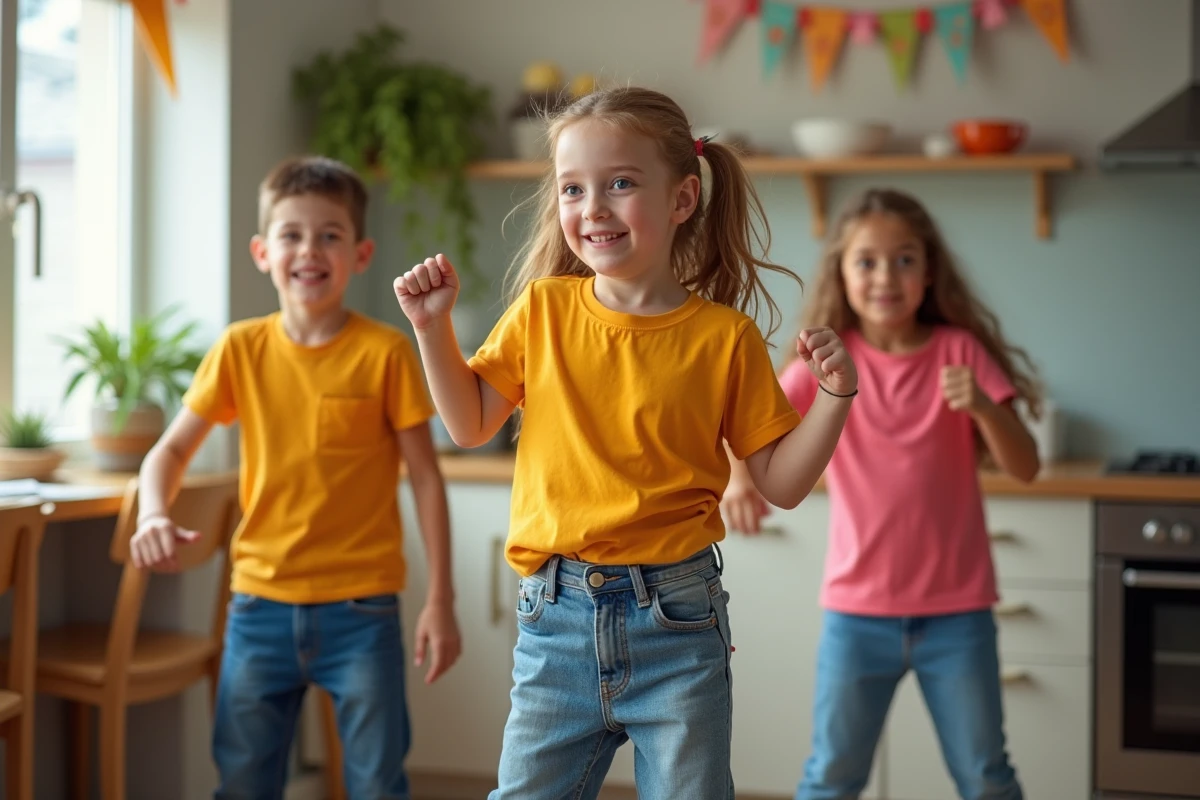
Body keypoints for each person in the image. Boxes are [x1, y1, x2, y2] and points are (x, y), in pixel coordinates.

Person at [393, 85, 857, 800]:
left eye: (620, 184)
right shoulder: (543, 309)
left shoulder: (723, 338)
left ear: (682, 200)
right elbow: (468, 423)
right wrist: (431, 328)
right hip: (556, 620)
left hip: (678, 621)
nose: (593, 207)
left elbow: (781, 483)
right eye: (573, 188)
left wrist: (834, 398)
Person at [131, 155, 461, 799]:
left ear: (360, 254)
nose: (310, 250)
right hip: (256, 607)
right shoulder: (238, 349)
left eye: (330, 235)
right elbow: (166, 455)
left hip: (362, 610)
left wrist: (440, 601)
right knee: (246, 782)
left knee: (376, 783)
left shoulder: (386, 352)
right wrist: (151, 512)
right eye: (291, 235)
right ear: (262, 251)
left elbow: (426, 479)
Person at [723, 188, 1041, 800]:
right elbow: (746, 421)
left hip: (958, 613)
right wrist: (739, 478)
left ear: (929, 272)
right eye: (866, 261)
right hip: (856, 613)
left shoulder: (959, 352)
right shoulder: (829, 365)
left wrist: (982, 406)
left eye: (904, 259)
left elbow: (1025, 468)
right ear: (842, 274)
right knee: (832, 777)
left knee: (986, 776)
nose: (885, 277)